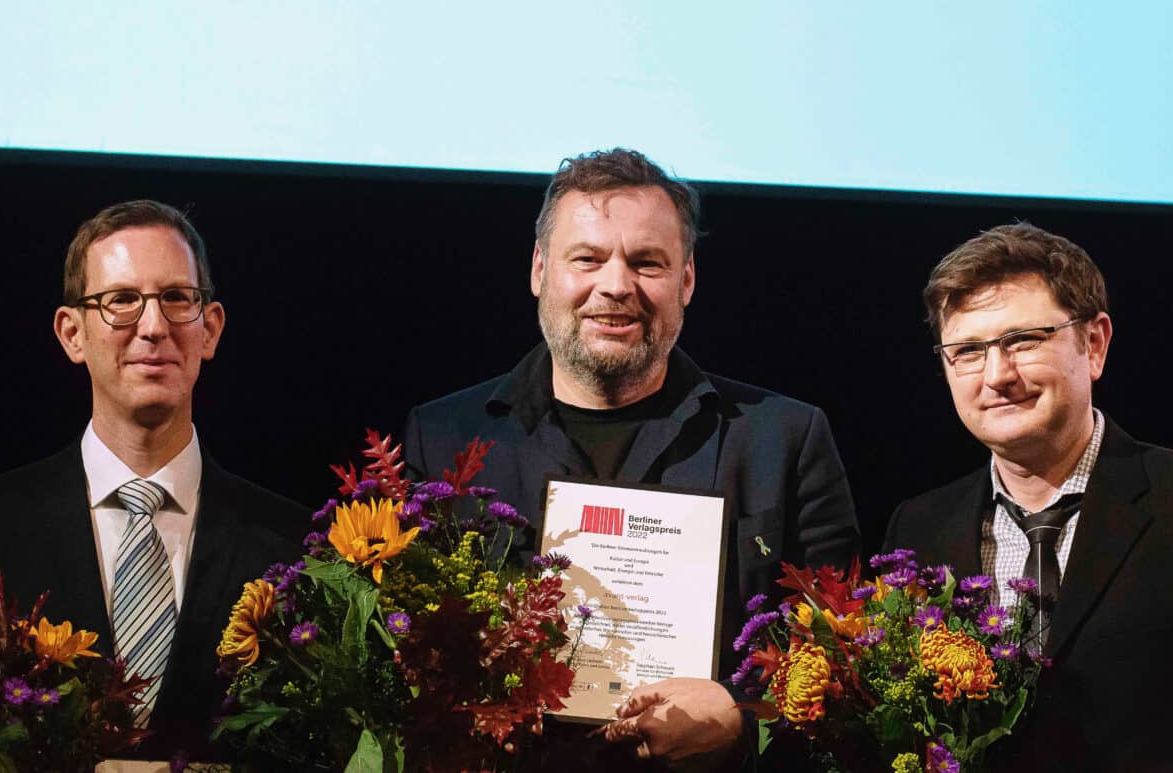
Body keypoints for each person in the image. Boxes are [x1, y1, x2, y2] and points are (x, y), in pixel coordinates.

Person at [403, 148, 860, 769]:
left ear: (687, 280)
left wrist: (741, 715)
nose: (615, 285)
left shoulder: (785, 438)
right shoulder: (443, 437)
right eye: (587, 259)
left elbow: (846, 662)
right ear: (540, 270)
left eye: (647, 262)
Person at [0, 200, 305, 761]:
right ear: (72, 333)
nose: (153, 327)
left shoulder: (294, 548)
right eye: (121, 301)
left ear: (211, 329)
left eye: (177, 299)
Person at [883, 222, 1173, 770]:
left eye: (1022, 341)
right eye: (967, 351)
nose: (997, 375)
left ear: (1094, 344)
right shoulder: (917, 528)